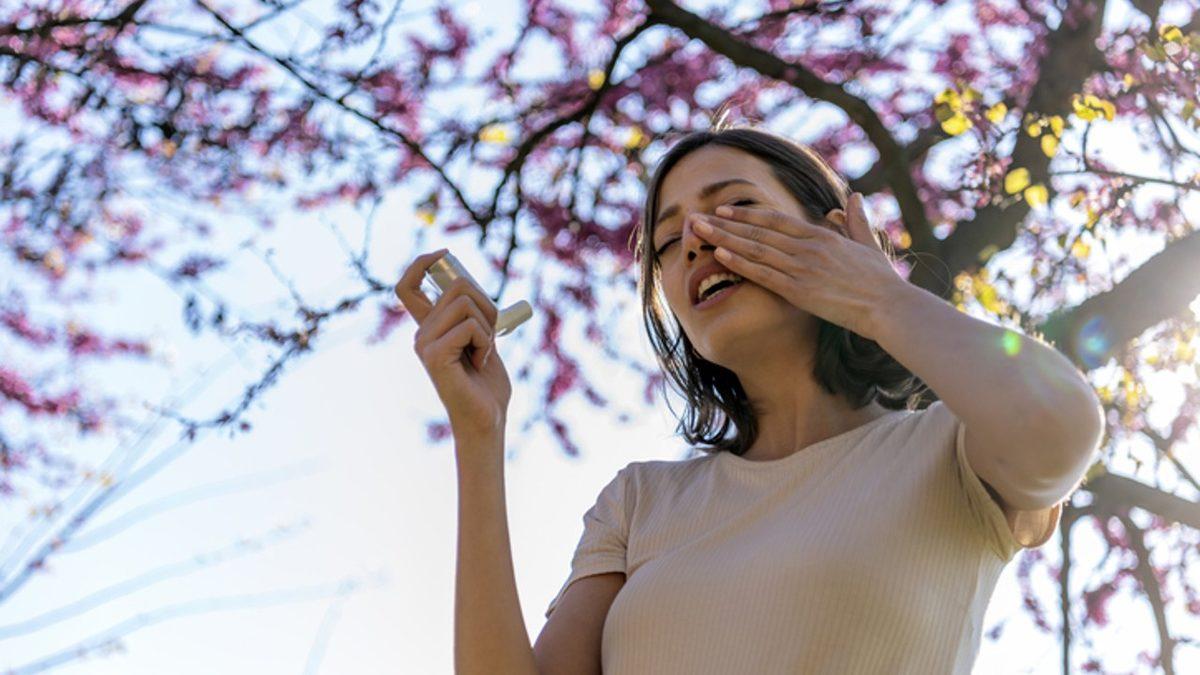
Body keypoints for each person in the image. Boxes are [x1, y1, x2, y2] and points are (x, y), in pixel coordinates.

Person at [396, 122, 1101, 675]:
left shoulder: (950, 451)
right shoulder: (640, 502)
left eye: (735, 207)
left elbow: (1061, 428)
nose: (697, 240)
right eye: (668, 241)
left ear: (834, 236)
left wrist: (876, 293)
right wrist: (479, 434)